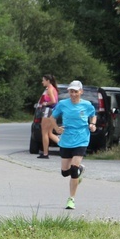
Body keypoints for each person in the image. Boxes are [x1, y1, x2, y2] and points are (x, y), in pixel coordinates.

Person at [48, 80, 95, 209]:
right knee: (64, 172)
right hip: (66, 140)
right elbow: (52, 118)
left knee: (73, 169)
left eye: (76, 91)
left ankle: (71, 199)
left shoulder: (87, 105)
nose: (73, 94)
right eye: (71, 91)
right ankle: (80, 170)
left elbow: (93, 115)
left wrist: (92, 124)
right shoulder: (63, 104)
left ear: (81, 92)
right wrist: (56, 129)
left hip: (82, 138)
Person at [37, 74, 60, 159]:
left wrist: (45, 103)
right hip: (53, 111)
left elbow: (53, 101)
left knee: (44, 133)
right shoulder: (53, 89)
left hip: (48, 111)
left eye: (43, 80)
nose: (42, 82)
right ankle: (65, 146)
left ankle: (45, 153)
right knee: (50, 133)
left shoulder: (49, 89)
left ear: (48, 81)